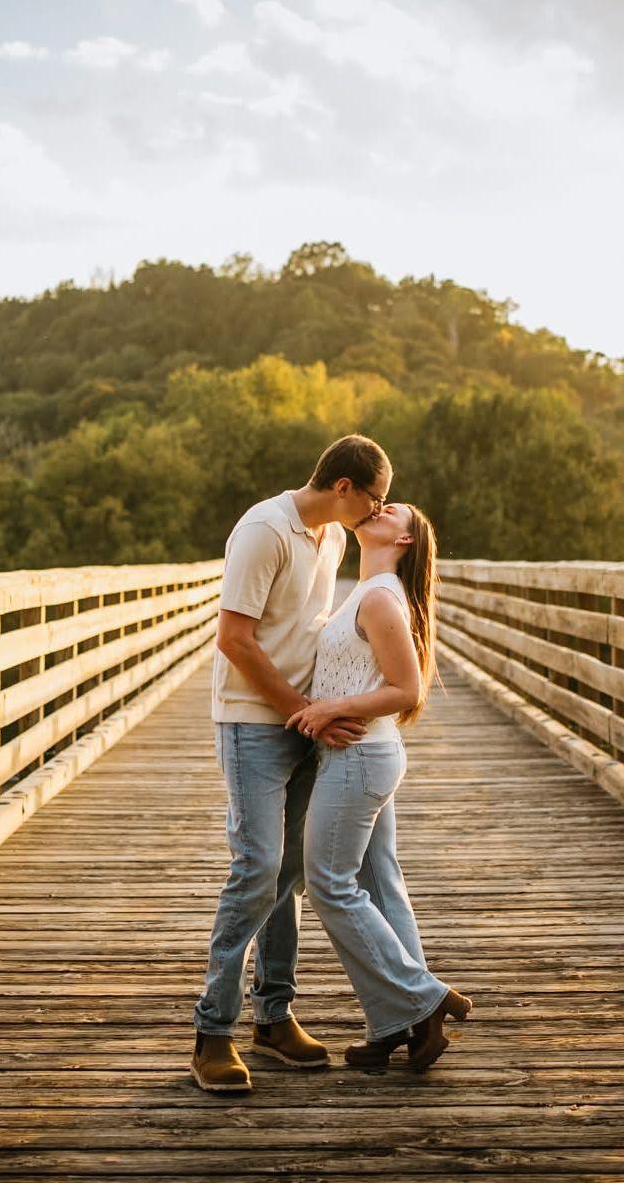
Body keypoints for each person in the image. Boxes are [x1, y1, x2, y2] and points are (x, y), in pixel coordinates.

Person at [191, 434, 393, 1094]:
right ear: (344, 487)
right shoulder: (264, 531)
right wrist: (301, 708)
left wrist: (328, 707)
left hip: (306, 720)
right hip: (255, 721)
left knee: (291, 869)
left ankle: (272, 1015)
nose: (374, 510)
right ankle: (212, 1032)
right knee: (256, 868)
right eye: (373, 499)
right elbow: (233, 639)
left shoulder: (331, 538)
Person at [288, 501, 471, 1073]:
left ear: (408, 540)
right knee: (379, 884)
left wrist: (332, 709)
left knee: (328, 886)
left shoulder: (380, 597)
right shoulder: (365, 590)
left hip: (360, 759)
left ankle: (424, 996)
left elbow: (407, 688)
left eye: (396, 510)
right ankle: (401, 1025)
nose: (380, 507)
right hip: (367, 756)